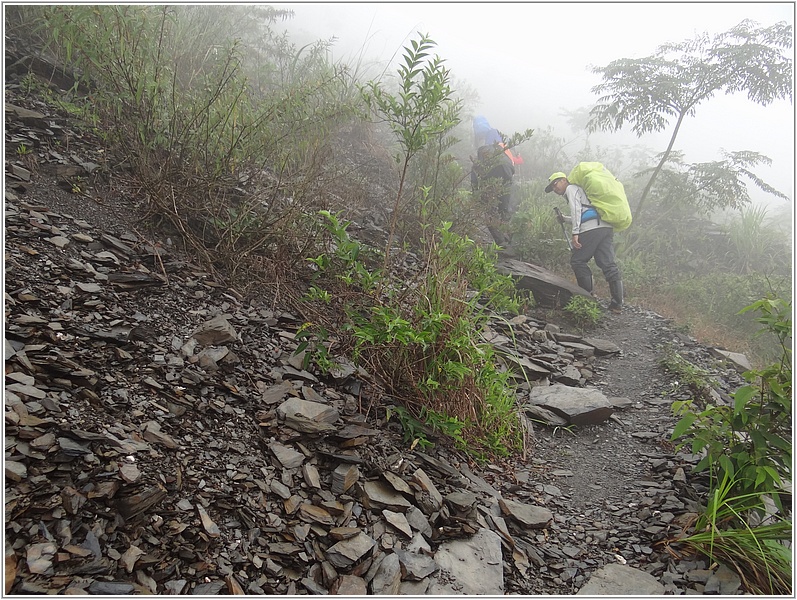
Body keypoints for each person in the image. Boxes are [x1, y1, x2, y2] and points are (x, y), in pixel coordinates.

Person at [545, 172, 624, 312]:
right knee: (607, 263)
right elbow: (585, 212)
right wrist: (566, 219)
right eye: (552, 188)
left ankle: (587, 298)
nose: (555, 189)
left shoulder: (571, 188)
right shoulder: (581, 190)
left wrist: (575, 233)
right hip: (605, 226)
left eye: (555, 184)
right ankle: (617, 303)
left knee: (578, 261)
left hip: (591, 228)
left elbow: (577, 211)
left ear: (564, 180)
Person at [471, 144, 515, 247]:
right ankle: (509, 238)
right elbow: (512, 171)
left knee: (488, 210)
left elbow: (474, 181)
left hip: (490, 177)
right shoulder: (504, 155)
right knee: (505, 209)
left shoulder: (479, 161)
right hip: (507, 173)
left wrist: (477, 199)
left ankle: (500, 241)